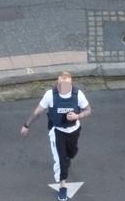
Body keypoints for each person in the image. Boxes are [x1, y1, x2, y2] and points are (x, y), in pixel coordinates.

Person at [20, 71, 92, 201]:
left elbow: (88, 110)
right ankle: (62, 186)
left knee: (71, 153)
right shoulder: (50, 95)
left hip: (74, 130)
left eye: (66, 84)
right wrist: (26, 125)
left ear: (71, 84)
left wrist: (77, 116)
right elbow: (38, 111)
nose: (63, 87)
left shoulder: (78, 94)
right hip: (57, 131)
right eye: (60, 84)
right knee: (60, 160)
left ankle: (68, 157)